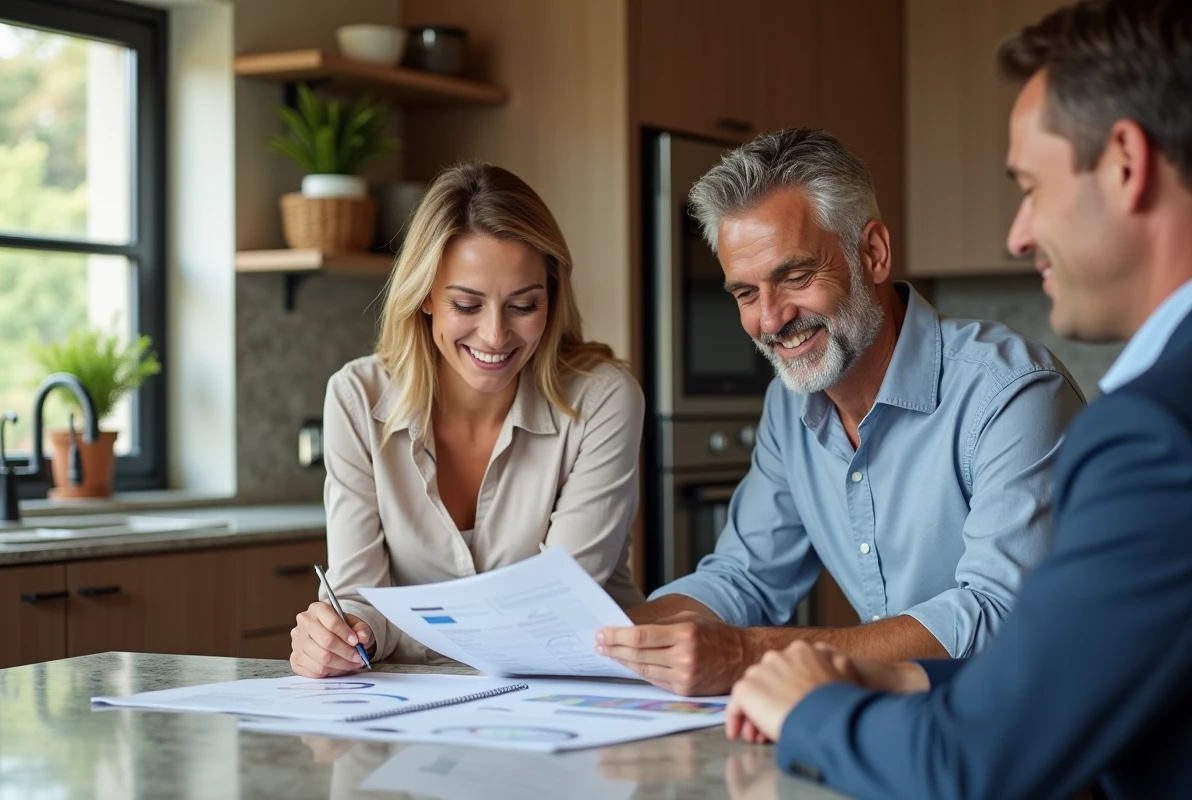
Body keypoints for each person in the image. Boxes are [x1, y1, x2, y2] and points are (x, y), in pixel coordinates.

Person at [724, 1, 1192, 797]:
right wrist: (903, 681)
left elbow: (980, 762)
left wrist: (811, 706)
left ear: (1124, 163)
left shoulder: (1151, 433)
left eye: (1030, 187)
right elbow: (1080, 683)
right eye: (744, 292)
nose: (1017, 233)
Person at [597, 129, 1085, 696]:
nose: (772, 320)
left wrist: (749, 654)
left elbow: (998, 617)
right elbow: (744, 577)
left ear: (872, 253)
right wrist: (609, 636)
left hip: (1045, 739)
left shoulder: (1011, 394)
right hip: (913, 720)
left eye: (795, 276)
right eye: (745, 294)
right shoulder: (790, 403)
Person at [290, 162, 645, 677]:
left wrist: (391, 626)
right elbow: (358, 598)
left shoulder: (602, 400)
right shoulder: (355, 397)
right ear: (426, 294)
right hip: (426, 714)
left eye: (524, 305)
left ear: (551, 297)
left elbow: (555, 611)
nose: (496, 335)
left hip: (578, 692)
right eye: (466, 304)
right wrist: (345, 635)